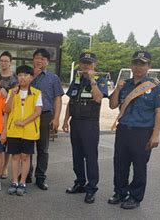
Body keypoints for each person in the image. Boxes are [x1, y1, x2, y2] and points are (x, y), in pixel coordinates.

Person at [108, 50, 160, 210]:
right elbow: (113, 105)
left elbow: (159, 112)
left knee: (139, 166)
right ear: (131, 65)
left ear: (149, 66)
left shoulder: (156, 88)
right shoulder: (125, 84)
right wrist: (117, 89)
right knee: (120, 164)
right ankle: (120, 192)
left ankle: (135, 196)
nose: (138, 67)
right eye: (135, 63)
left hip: (142, 132)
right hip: (123, 130)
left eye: (142, 64)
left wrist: (155, 135)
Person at [62, 52, 108, 204]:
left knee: (90, 157)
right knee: (77, 155)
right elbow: (71, 101)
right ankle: (80, 182)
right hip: (76, 122)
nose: (86, 66)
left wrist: (92, 80)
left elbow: (98, 98)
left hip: (90, 123)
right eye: (83, 63)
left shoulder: (100, 80)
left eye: (89, 63)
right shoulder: (76, 80)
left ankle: (91, 188)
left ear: (94, 64)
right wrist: (65, 120)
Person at [3, 65, 43, 196]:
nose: (22, 78)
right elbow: (7, 110)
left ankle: (23, 182)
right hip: (14, 130)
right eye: (20, 75)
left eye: (26, 75)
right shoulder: (12, 92)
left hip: (29, 130)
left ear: (31, 78)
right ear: (17, 77)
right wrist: (11, 96)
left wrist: (24, 122)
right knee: (15, 156)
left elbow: (38, 112)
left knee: (25, 157)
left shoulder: (37, 92)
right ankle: (14, 181)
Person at [30, 48, 64, 189]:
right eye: (37, 57)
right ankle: (26, 174)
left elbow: (57, 99)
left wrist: (56, 118)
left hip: (45, 116)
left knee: (43, 148)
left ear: (47, 62)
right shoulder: (26, 75)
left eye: (43, 59)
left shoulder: (53, 78)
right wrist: (32, 77)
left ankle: (40, 177)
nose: (39, 61)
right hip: (28, 117)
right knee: (27, 148)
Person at [0, 51, 17, 180]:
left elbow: (16, 93)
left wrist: (7, 90)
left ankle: (4, 168)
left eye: (6, 61)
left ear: (10, 63)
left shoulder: (15, 78)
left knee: (6, 143)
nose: (3, 63)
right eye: (1, 61)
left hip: (9, 113)